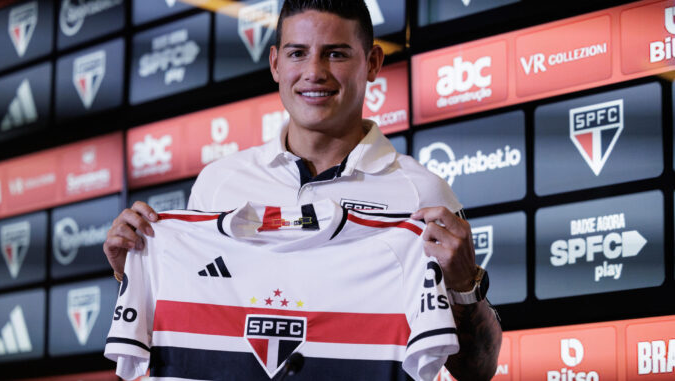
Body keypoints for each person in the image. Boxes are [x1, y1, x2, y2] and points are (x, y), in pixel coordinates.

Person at [103, 0, 502, 379]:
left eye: (336, 54)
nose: (314, 72)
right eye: (297, 53)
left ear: (373, 63)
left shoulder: (422, 194)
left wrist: (465, 287)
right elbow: (184, 331)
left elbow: (477, 370)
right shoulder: (218, 182)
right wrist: (137, 272)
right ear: (275, 63)